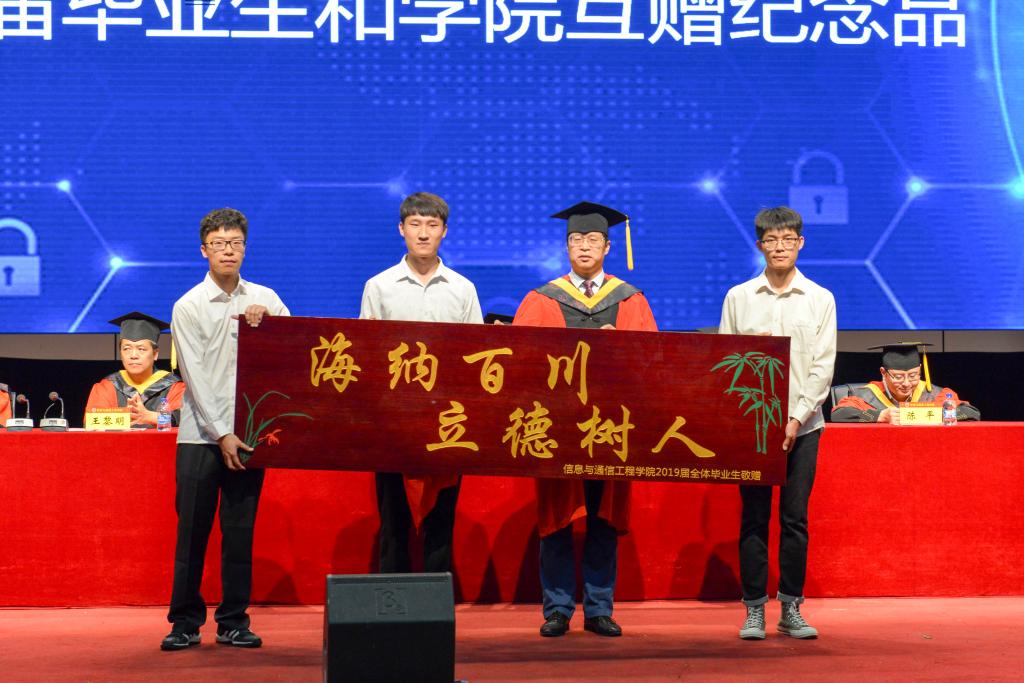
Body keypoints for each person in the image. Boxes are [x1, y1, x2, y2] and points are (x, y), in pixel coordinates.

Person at [512, 201, 657, 638]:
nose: (584, 246)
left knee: (602, 517)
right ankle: (557, 609)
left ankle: (598, 608)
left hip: (612, 427)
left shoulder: (630, 299)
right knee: (556, 518)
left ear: (608, 246)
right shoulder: (542, 299)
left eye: (593, 239)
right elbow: (521, 362)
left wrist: (620, 349)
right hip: (556, 427)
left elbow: (652, 362)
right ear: (567, 246)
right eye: (576, 239)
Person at [162, 208, 289, 651]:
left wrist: (269, 323)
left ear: (245, 249)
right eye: (219, 244)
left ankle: (233, 620)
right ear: (204, 250)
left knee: (239, 533)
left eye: (235, 243)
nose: (228, 251)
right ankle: (184, 622)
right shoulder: (189, 305)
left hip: (248, 434)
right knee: (191, 534)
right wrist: (221, 433)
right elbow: (194, 378)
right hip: (200, 438)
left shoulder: (266, 298)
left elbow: (293, 346)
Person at [718, 206, 837, 641]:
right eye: (771, 240)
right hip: (753, 427)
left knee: (794, 519)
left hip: (804, 427)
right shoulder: (739, 297)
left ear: (800, 243)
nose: (780, 247)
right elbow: (726, 362)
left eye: (788, 239)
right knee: (753, 519)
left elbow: (823, 366)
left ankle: (791, 608)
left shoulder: (820, 298)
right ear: (760, 245)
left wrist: (796, 416)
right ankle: (754, 610)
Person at [359, 192, 483, 574]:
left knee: (440, 524)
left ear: (444, 231)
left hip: (448, 423)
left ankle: (437, 606)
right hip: (393, 424)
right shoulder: (379, 286)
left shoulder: (462, 288)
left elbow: (476, 358)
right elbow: (367, 357)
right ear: (401, 229)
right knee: (393, 524)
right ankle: (392, 603)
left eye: (432, 225)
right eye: (415, 224)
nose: (424, 233)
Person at [831, 342, 980, 422]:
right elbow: (839, 414)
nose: (907, 383)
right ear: (883, 373)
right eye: (898, 377)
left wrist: (935, 414)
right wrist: (880, 416)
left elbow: (971, 413)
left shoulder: (934, 394)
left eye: (913, 375)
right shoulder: (867, 395)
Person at [84, 312, 185, 427]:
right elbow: (91, 422)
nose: (133, 355)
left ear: (155, 354)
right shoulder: (107, 386)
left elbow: (184, 421)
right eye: (126, 349)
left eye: (141, 349)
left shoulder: (174, 387)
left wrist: (150, 417)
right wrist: (124, 417)